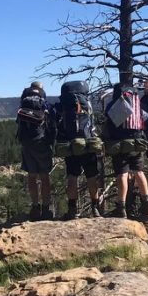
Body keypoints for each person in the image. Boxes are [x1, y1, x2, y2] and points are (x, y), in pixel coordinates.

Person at [103, 83, 148, 218]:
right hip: (137, 143)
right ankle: (146, 201)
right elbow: (145, 118)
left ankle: (122, 206)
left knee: (122, 175)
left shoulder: (114, 103)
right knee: (139, 172)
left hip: (120, 144)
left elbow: (107, 115)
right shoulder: (137, 104)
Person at [55, 80, 103, 219]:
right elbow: (92, 122)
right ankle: (95, 208)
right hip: (88, 143)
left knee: (72, 177)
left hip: (71, 145)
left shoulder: (63, 105)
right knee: (92, 177)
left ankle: (72, 210)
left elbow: (58, 123)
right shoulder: (86, 102)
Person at [16, 81, 55, 220]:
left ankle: (34, 207)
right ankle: (46, 209)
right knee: (44, 176)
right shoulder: (44, 104)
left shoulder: (23, 103)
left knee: (31, 176)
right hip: (42, 142)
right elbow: (52, 124)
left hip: (27, 143)